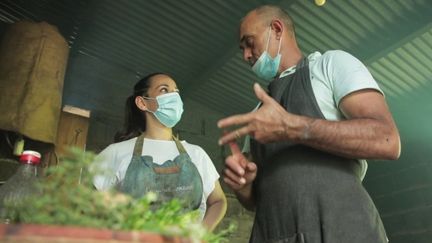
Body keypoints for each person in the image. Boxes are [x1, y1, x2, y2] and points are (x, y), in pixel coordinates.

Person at [217, 5, 400, 243]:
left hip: (343, 229)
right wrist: (243, 185)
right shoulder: (258, 116)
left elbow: (387, 139)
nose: (246, 56)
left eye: (250, 42)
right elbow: (254, 201)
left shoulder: (329, 66)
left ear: (277, 29)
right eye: (242, 49)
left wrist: (293, 126)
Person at [93, 73, 227, 231]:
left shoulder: (196, 154)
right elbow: (86, 204)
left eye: (176, 92)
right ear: (142, 103)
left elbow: (218, 201)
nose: (174, 96)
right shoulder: (116, 153)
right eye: (164, 90)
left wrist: (201, 235)